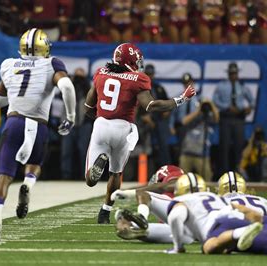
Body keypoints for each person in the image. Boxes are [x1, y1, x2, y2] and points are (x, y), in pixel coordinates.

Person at [83, 43, 196, 224]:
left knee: (90, 180)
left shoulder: (100, 73)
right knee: (116, 173)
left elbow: (88, 106)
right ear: (130, 61)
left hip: (102, 125)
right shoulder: (137, 78)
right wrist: (181, 99)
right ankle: (105, 212)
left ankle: (98, 164)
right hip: (123, 129)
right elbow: (151, 106)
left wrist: (101, 118)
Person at [0, 28, 76, 241]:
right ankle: (27, 185)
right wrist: (71, 116)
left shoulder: (9, 65)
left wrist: (18, 94)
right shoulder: (52, 63)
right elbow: (67, 87)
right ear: (45, 47)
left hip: (14, 122)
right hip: (38, 125)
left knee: (3, 176)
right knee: (35, 164)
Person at [213, 62, 254, 175]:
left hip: (239, 118)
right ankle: (224, 172)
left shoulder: (242, 86)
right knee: (224, 146)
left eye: (235, 73)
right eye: (231, 73)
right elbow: (215, 100)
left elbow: (252, 100)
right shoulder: (221, 86)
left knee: (239, 145)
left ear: (237, 74)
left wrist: (249, 108)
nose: (233, 75)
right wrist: (227, 107)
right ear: (228, 74)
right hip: (226, 117)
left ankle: (238, 170)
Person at [60, 68, 93, 180]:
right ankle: (66, 175)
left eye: (81, 77)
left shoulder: (88, 89)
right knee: (66, 151)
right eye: (77, 77)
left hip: (84, 123)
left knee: (84, 151)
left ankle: (84, 176)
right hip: (69, 123)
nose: (79, 80)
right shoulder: (69, 88)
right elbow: (62, 97)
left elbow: (93, 104)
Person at [179, 99, 219, 180]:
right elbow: (184, 121)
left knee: (207, 179)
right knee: (183, 180)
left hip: (202, 155)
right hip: (186, 153)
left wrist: (211, 104)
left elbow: (217, 118)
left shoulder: (208, 118)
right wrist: (198, 111)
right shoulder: (194, 116)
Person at [143, 64, 172, 166]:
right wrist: (144, 118)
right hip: (145, 120)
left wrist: (166, 111)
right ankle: (144, 172)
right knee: (145, 147)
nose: (150, 76)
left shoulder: (159, 88)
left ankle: (166, 168)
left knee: (163, 145)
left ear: (154, 74)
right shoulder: (141, 88)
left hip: (159, 119)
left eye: (151, 74)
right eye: (147, 74)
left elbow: (168, 103)